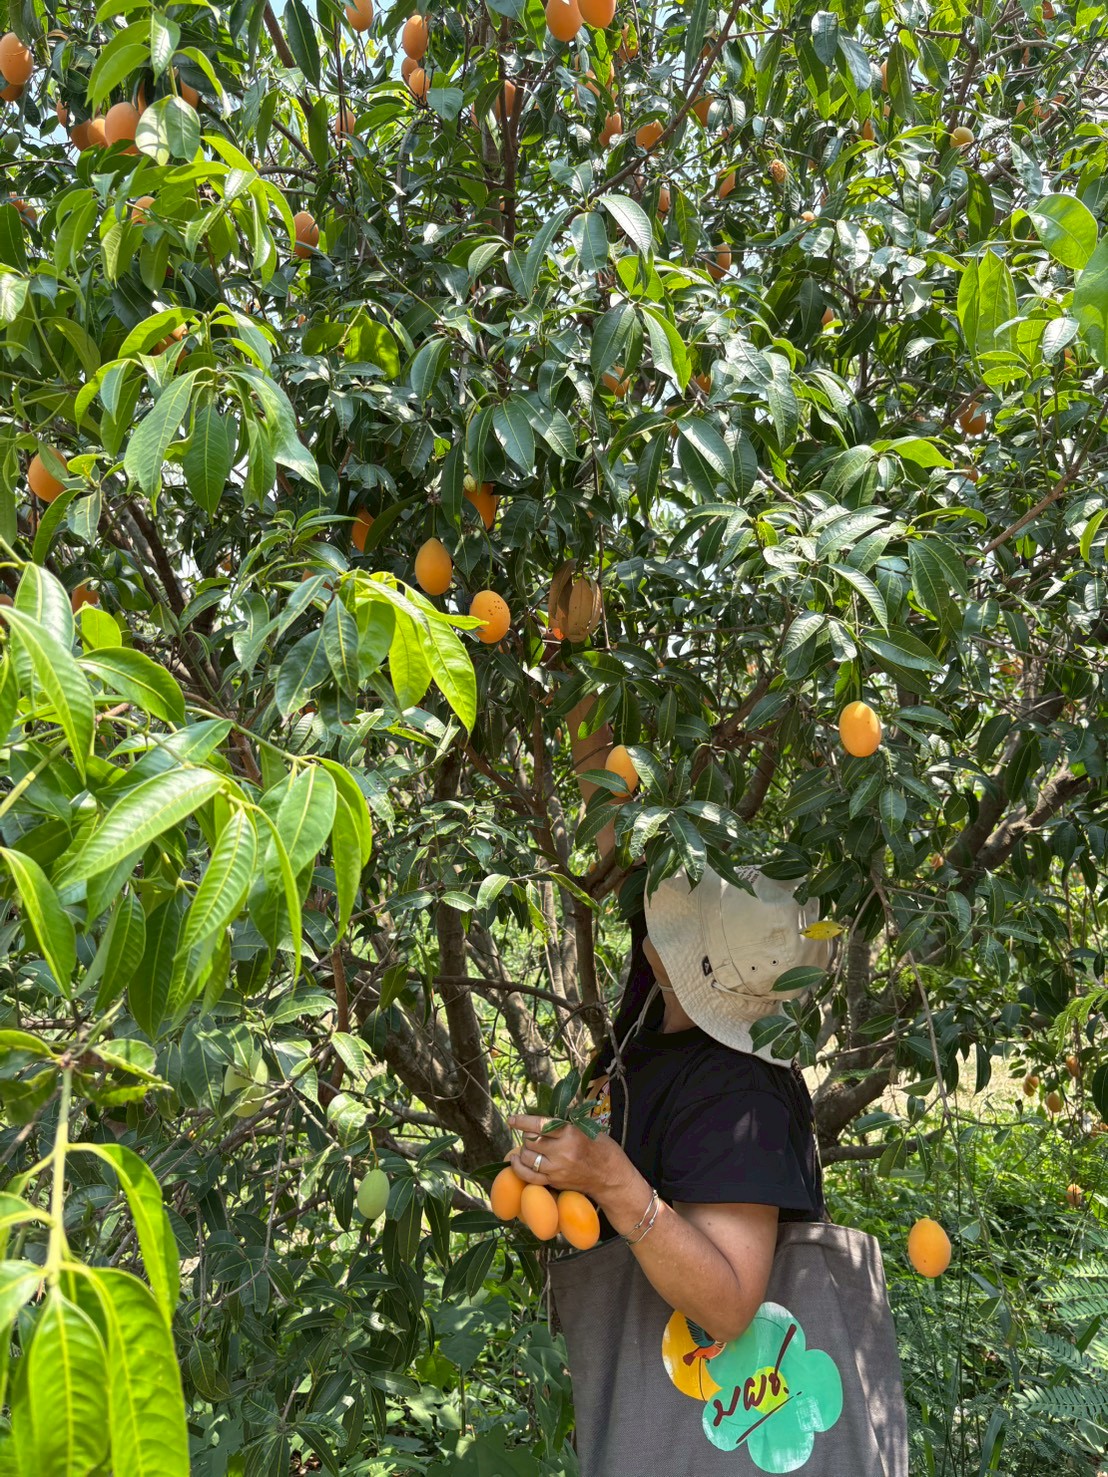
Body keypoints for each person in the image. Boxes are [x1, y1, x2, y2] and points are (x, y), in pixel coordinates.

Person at [504, 703, 840, 1475]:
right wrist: (579, 678)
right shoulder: (667, 990)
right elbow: (617, 832)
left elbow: (728, 1304)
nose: (652, 931)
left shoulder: (740, 1098)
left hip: (717, 1416)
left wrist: (613, 1183)